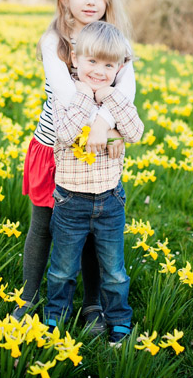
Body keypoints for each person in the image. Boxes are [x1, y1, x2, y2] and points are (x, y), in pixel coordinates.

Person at [19, 0, 137, 336]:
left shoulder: (116, 42)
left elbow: (127, 92)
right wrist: (106, 115)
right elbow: (68, 99)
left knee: (91, 229)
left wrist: (107, 126)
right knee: (43, 227)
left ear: (108, 0)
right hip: (55, 145)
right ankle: (30, 297)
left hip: (100, 152)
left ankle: (92, 306)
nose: (90, 1)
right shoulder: (53, 40)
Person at [44, 21, 143, 345]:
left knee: (114, 271)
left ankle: (119, 321)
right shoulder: (67, 95)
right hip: (71, 201)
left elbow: (135, 131)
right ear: (75, 58)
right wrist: (87, 95)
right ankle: (54, 319)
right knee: (62, 268)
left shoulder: (115, 97)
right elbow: (66, 132)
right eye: (92, 62)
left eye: (108, 65)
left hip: (110, 201)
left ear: (119, 68)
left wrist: (110, 97)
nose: (99, 71)